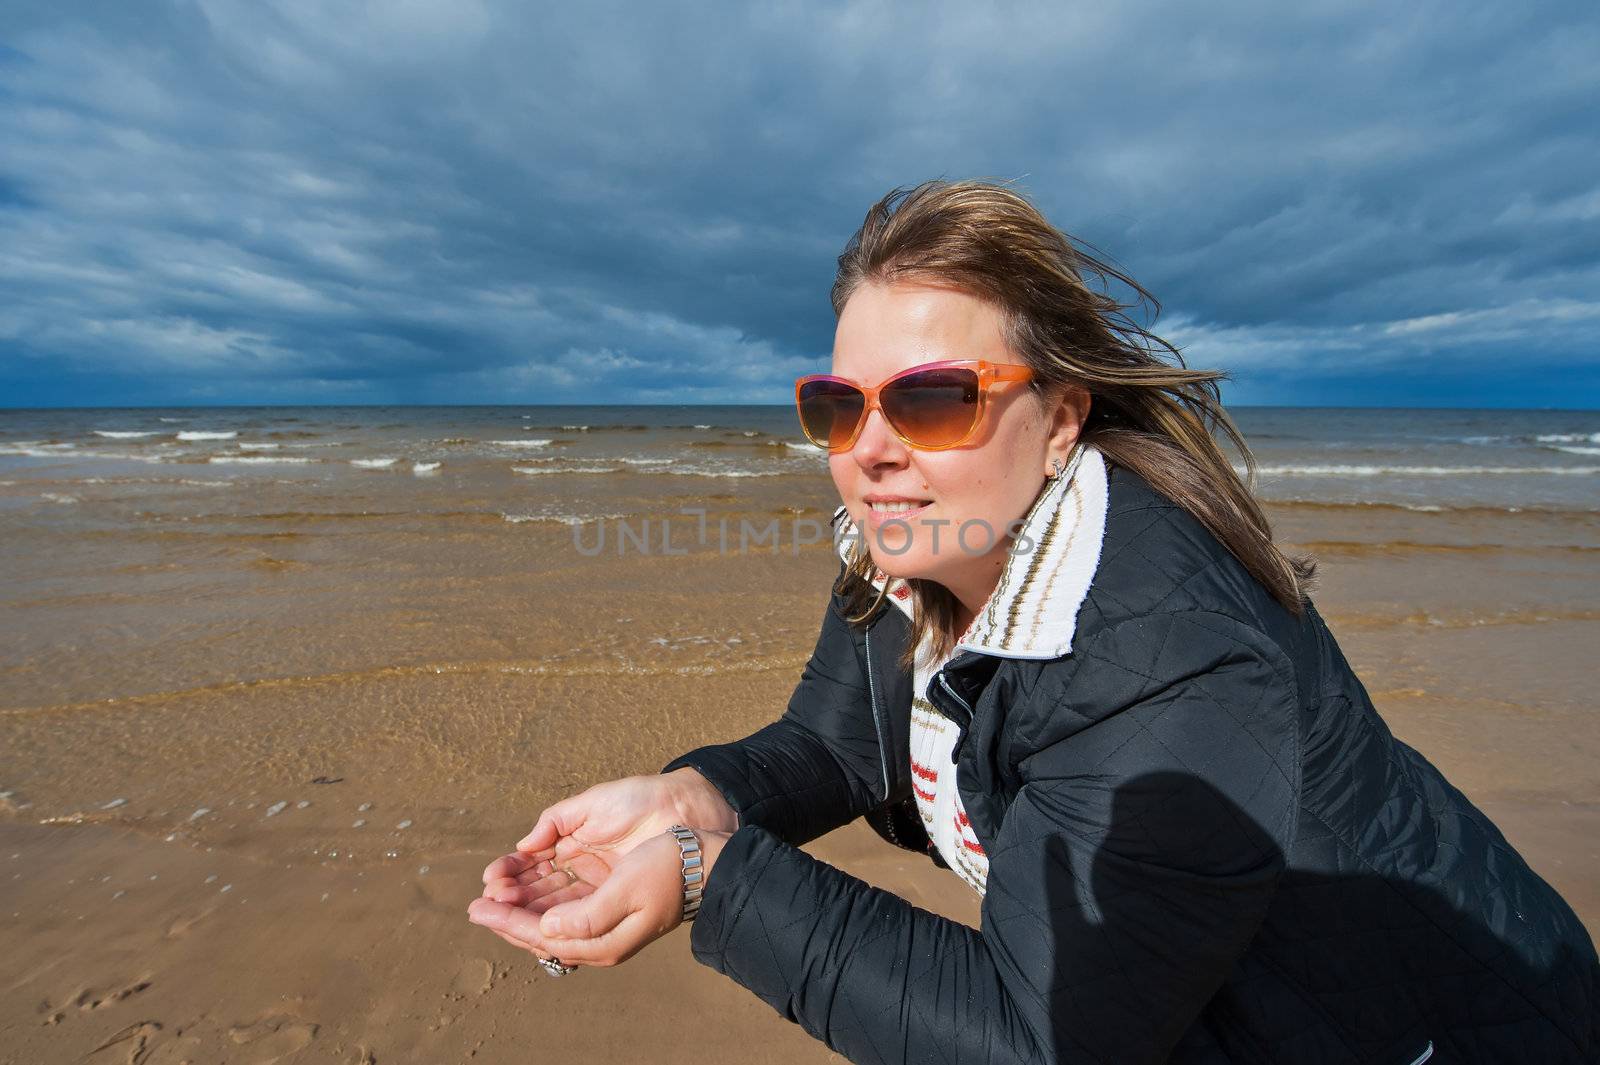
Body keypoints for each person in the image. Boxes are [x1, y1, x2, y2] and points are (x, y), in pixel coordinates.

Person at [468, 180, 1598, 1063]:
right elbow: (835, 742)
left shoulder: (1169, 656)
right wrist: (691, 799)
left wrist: (717, 878)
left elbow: (1044, 1038)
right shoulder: (901, 553)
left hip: (1431, 1031)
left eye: (930, 398)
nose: (869, 449)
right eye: (837, 406)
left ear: (1060, 421)